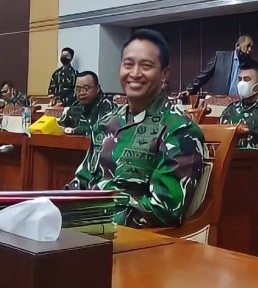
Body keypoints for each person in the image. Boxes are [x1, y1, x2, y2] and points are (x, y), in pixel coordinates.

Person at [67, 29, 204, 228]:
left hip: (127, 236)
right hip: (87, 228)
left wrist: (90, 218)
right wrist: (57, 209)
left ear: (164, 73)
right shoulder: (107, 123)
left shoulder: (180, 130)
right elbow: (81, 182)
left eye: (146, 66)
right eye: (128, 64)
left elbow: (165, 209)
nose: (135, 73)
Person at [181, 35, 254, 98]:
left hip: (241, 103)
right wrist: (190, 90)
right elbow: (204, 76)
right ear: (237, 46)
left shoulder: (252, 65)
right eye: (247, 46)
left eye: (251, 47)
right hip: (220, 101)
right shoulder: (220, 57)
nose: (250, 49)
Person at [58, 71, 114, 135]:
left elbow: (101, 129)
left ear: (97, 89)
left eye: (86, 88)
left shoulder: (107, 104)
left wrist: (73, 131)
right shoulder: (76, 105)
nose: (81, 93)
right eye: (78, 89)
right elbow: (59, 126)